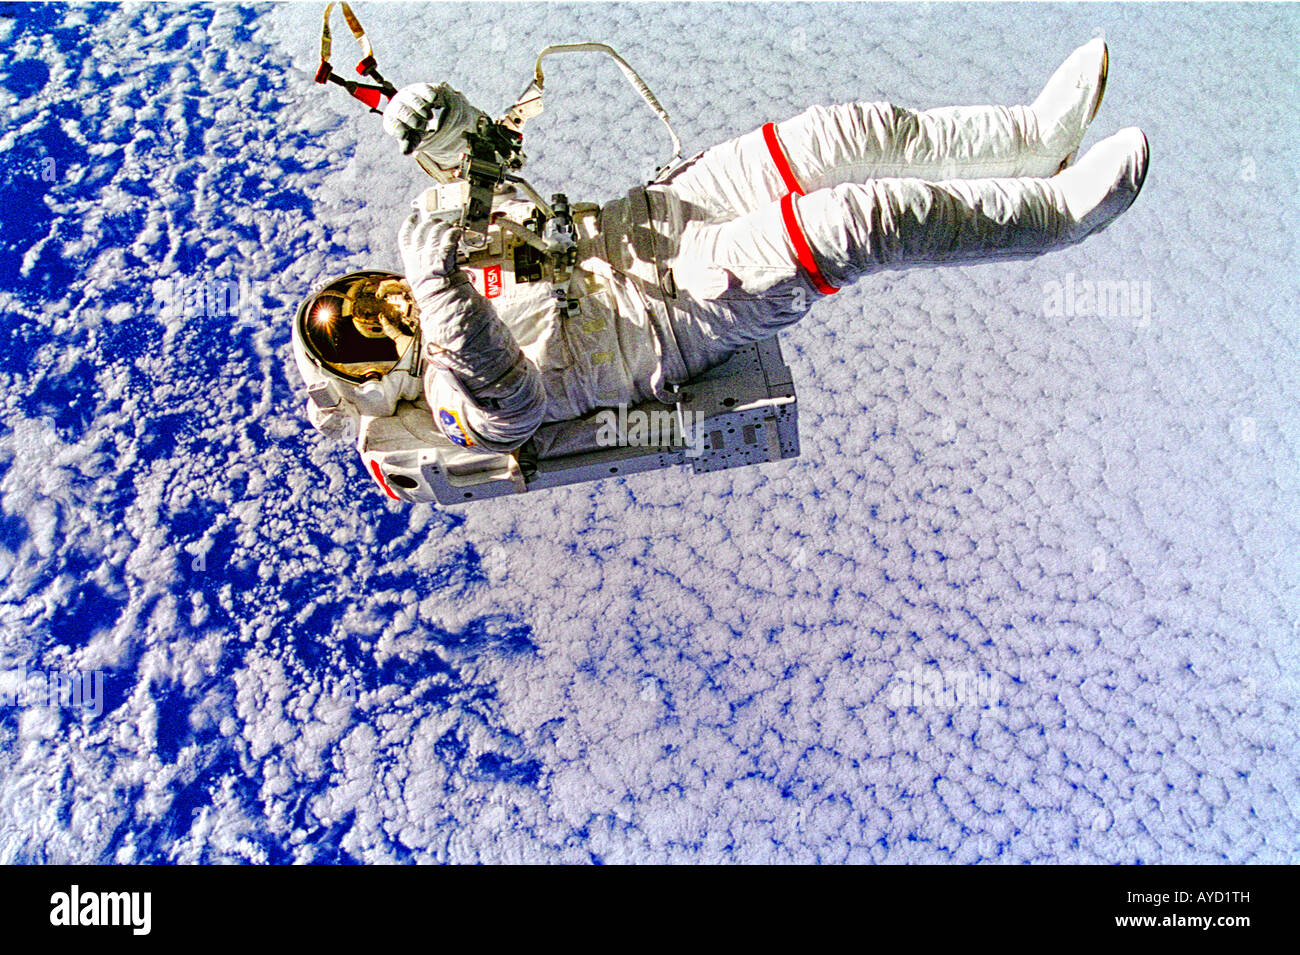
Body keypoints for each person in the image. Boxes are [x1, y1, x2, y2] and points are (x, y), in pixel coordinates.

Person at [294, 39, 1147, 456]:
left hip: (658, 214)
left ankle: (1031, 136)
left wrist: (444, 123)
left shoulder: (445, 253)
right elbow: (515, 405)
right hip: (680, 306)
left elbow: (495, 177)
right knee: (864, 218)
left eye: (364, 291)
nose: (383, 302)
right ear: (374, 374)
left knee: (852, 132)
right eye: (365, 326)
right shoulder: (452, 401)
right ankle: (1058, 214)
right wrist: (439, 288)